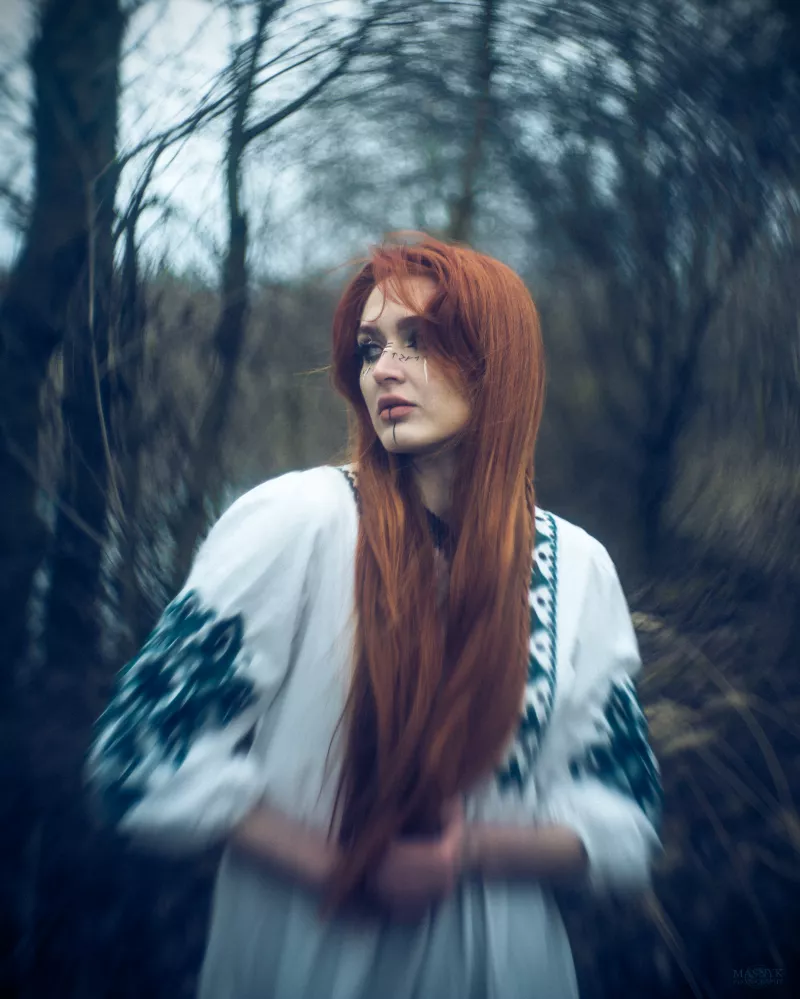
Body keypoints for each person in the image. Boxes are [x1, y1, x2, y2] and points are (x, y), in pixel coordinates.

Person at [86, 233, 664, 999]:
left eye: (417, 340)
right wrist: (341, 868)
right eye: (369, 348)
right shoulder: (296, 522)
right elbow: (140, 755)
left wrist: (468, 852)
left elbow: (623, 814)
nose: (384, 369)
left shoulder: (579, 567)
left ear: (497, 361)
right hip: (317, 962)